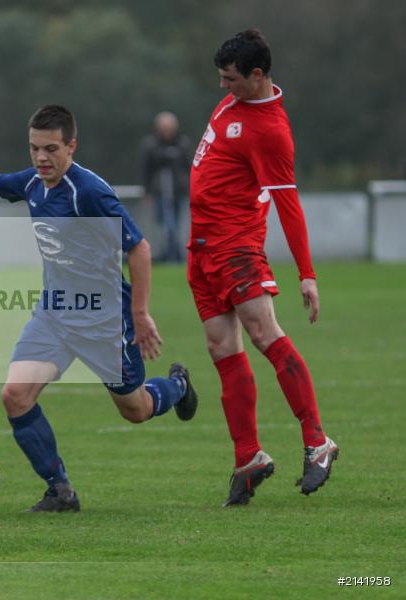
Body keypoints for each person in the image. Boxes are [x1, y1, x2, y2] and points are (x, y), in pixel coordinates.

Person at [0, 105, 198, 512]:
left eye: (51, 149)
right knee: (15, 396)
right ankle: (60, 490)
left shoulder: (90, 191)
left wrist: (141, 313)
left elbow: (139, 248)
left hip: (104, 320)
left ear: (71, 146)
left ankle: (178, 386)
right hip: (55, 314)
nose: (41, 158)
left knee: (136, 410)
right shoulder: (33, 184)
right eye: (34, 149)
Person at [187, 29, 338, 506]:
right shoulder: (234, 102)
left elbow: (289, 206)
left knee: (263, 334)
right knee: (220, 347)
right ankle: (249, 457)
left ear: (256, 76)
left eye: (230, 78)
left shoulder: (271, 131)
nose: (222, 86)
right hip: (203, 248)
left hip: (236, 247)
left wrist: (307, 274)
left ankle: (317, 442)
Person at [140, 112, 192, 262]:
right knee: (164, 224)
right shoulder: (151, 144)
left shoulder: (183, 143)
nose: (166, 130)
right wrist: (147, 192)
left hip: (178, 192)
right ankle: (166, 253)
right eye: (163, 127)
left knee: (176, 224)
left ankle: (175, 254)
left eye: (169, 127)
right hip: (159, 192)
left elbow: (190, 167)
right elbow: (146, 169)